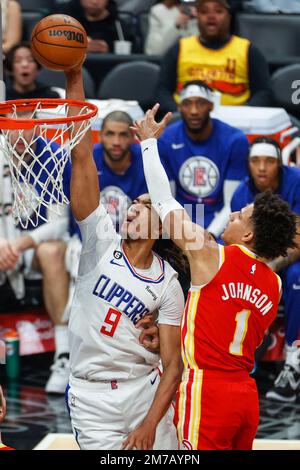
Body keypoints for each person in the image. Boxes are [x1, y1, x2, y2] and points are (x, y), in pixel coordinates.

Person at [131, 103, 297, 450]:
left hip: (207, 390)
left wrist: (149, 144)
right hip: (246, 396)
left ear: (249, 235)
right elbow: (224, 322)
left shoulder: (211, 255)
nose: (233, 213)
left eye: (242, 215)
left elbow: (163, 203)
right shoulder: (274, 283)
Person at [64, 64, 184, 450]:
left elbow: (174, 367)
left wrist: (150, 425)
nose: (132, 208)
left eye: (145, 206)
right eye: (132, 203)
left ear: (161, 225)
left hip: (143, 391)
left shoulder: (167, 281)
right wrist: (73, 75)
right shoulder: (100, 240)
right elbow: (82, 155)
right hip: (91, 398)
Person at [0, 111, 71, 395]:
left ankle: (63, 356)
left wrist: (18, 245)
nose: (21, 136)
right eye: (14, 129)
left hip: (33, 247)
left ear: (38, 128)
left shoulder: (54, 156)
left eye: (27, 128)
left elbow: (60, 221)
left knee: (52, 251)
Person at [231, 137, 300, 403]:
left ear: (280, 165)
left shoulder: (296, 182)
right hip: (262, 257)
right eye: (255, 161)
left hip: (288, 259)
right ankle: (242, 357)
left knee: (296, 278)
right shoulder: (241, 192)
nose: (261, 168)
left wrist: (269, 266)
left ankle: (294, 362)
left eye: (269, 162)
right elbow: (238, 242)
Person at [158, 80, 249, 238]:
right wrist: (180, 232)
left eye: (201, 103)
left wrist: (210, 235)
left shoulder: (235, 140)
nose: (194, 111)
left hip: (219, 221)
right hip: (179, 219)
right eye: (187, 103)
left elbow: (231, 203)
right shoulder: (166, 139)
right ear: (179, 107)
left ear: (211, 105)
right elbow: (167, 198)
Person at [157, 0, 272, 116]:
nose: (211, 16)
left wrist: (244, 113)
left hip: (236, 121)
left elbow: (263, 92)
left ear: (229, 16)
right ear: (197, 16)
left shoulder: (248, 50)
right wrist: (179, 112)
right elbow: (163, 90)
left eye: (218, 11)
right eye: (204, 12)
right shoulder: (179, 48)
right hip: (187, 120)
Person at [59, 0, 135, 54]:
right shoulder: (63, 20)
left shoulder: (119, 26)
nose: (94, 2)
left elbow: (133, 53)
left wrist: (109, 49)